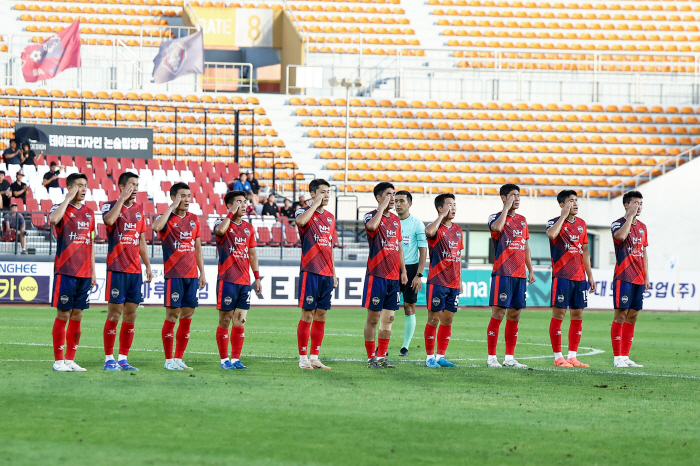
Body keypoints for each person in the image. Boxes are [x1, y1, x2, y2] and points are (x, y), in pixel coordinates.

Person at [100, 172, 153, 371]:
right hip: (117, 268)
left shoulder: (140, 210)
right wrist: (121, 200)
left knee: (131, 315)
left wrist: (147, 265)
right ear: (122, 187)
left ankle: (123, 358)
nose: (136, 188)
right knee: (114, 315)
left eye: (137, 185)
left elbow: (140, 240)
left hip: (134, 270)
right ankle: (108, 359)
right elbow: (109, 221)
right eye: (132, 184)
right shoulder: (109, 205)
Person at [152, 182, 207, 371]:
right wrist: (171, 208)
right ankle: (168, 360)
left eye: (188, 196)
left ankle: (178, 358)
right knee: (172, 315)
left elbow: (198, 248)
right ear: (174, 197)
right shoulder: (167, 219)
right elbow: (155, 227)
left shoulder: (194, 219)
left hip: (191, 274)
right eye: (182, 196)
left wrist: (202, 273)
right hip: (174, 274)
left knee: (188, 315)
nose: (186, 200)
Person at [48, 173, 96, 372]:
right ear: (69, 187)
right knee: (64, 314)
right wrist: (67, 199)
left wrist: (93, 271)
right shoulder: (60, 209)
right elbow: (53, 219)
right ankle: (58, 360)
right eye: (79, 185)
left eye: (85, 185)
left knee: (77, 315)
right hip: (66, 270)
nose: (83, 189)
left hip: (84, 272)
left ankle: (70, 359)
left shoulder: (90, 213)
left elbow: (91, 242)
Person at [486, 183, 536, 369]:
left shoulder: (522, 220)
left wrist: (530, 270)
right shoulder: (495, 217)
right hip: (502, 272)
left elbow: (525, 247)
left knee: (515, 315)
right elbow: (497, 228)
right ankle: (492, 357)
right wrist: (506, 208)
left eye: (519, 195)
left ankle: (509, 358)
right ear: (504, 197)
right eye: (513, 195)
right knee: (498, 313)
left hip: (519, 274)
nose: (517, 199)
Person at [545, 190, 596, 368]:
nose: (575, 204)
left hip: (579, 277)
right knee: (559, 315)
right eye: (570, 201)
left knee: (578, 314)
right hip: (562, 276)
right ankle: (558, 357)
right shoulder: (553, 222)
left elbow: (585, 252)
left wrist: (589, 275)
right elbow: (551, 235)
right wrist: (563, 216)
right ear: (562, 204)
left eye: (576, 200)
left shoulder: (581, 224)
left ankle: (572, 356)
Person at [213, 191, 262, 370]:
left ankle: (235, 359)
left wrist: (256, 277)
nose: (243, 205)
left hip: (244, 282)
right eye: (238, 202)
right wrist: (230, 213)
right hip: (227, 280)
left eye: (245, 201)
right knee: (225, 320)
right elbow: (219, 231)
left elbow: (252, 254)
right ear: (229, 205)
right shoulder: (221, 223)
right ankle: (224, 360)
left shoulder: (249, 227)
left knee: (240, 321)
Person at [362, 182, 407, 369]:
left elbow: (398, 247)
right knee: (373, 318)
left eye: (394, 194)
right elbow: (372, 227)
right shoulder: (370, 216)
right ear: (379, 197)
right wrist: (381, 208)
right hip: (377, 275)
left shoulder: (396, 220)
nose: (393, 198)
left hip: (393, 277)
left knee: (389, 319)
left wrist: (403, 271)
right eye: (389, 194)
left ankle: (381, 357)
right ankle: (371, 357)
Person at [294, 179, 337, 370]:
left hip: (327, 273)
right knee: (307, 314)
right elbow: (300, 222)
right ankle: (303, 357)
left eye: (328, 192)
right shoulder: (303, 212)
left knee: (321, 315)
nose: (327, 195)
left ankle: (314, 356)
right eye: (322, 192)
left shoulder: (330, 217)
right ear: (313, 194)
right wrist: (314, 205)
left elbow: (330, 246)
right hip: (310, 270)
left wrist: (334, 274)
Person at [423, 194, 463, 368]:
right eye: (449, 205)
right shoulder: (436, 229)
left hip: (453, 282)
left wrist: (460, 280)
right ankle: (429, 357)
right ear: (440, 208)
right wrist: (441, 216)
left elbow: (458, 256)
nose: (453, 208)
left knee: (448, 320)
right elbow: (428, 232)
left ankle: (441, 356)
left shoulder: (458, 230)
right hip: (437, 280)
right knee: (433, 319)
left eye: (454, 205)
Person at [610, 191, 649, 368]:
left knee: (632, 316)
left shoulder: (642, 227)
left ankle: (625, 356)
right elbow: (620, 237)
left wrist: (646, 275)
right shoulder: (617, 224)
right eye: (635, 203)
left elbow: (644, 252)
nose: (639, 206)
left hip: (639, 278)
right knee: (621, 315)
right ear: (626, 205)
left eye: (640, 203)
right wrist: (630, 217)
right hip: (623, 276)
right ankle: (617, 357)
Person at [394, 190, 427, 357]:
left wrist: (419, 275)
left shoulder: (417, 224)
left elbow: (423, 251)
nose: (398, 204)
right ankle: (382, 345)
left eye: (401, 201)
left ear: (409, 203)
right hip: (391, 268)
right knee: (387, 309)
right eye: (396, 201)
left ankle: (405, 347)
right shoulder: (389, 221)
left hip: (412, 268)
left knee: (409, 307)